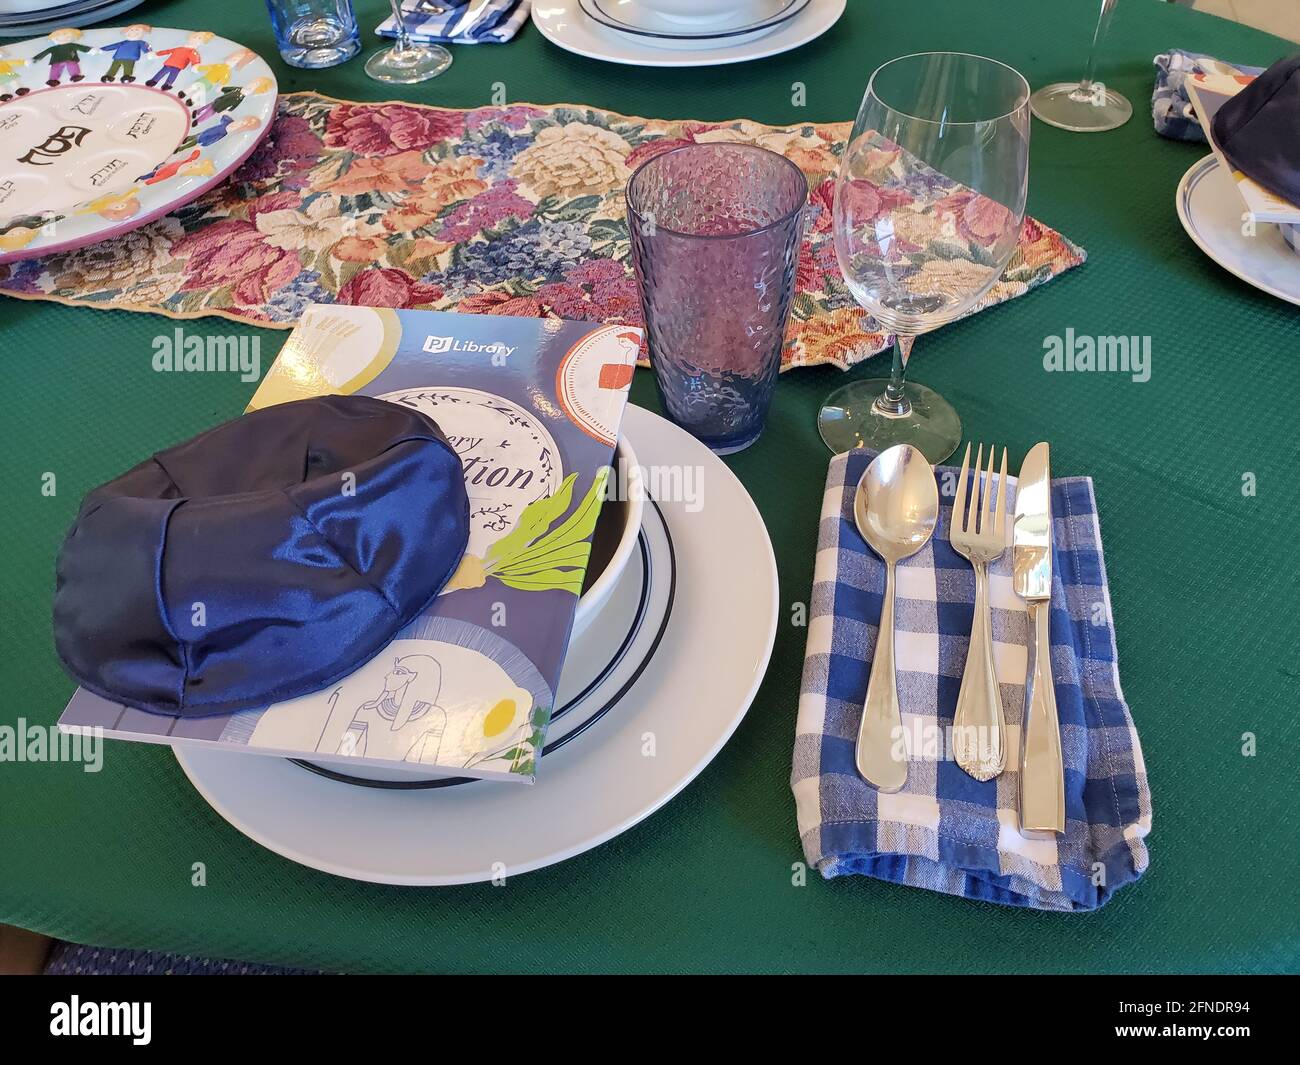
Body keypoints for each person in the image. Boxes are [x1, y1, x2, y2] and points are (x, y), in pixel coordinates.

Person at [145, 29, 213, 90]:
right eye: (194, 37)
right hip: (169, 63)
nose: (195, 39)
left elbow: (195, 60)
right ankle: (154, 80)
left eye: (199, 38)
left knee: (172, 75)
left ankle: (167, 84)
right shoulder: (179, 48)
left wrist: (195, 65)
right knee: (162, 72)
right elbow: (168, 51)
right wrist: (157, 54)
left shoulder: (192, 52)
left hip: (178, 66)